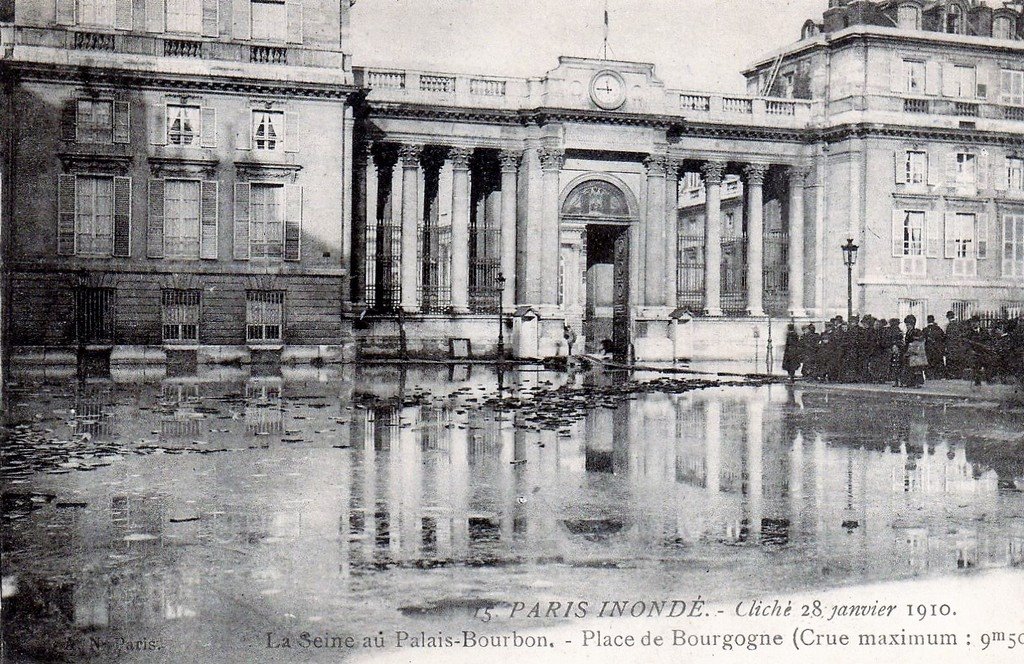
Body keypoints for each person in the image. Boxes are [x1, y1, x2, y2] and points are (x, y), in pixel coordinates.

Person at [944, 310, 967, 380]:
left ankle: (952, 375)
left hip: (951, 347)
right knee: (958, 361)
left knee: (951, 361)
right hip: (958, 346)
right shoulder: (959, 324)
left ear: (948, 317)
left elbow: (947, 337)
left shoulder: (949, 326)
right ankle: (959, 375)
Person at [923, 314, 946, 379]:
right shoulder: (938, 329)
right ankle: (938, 376)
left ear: (927, 321)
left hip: (929, 350)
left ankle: (930, 376)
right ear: (933, 320)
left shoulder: (925, 330)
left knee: (929, 363)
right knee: (938, 363)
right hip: (937, 350)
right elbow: (943, 338)